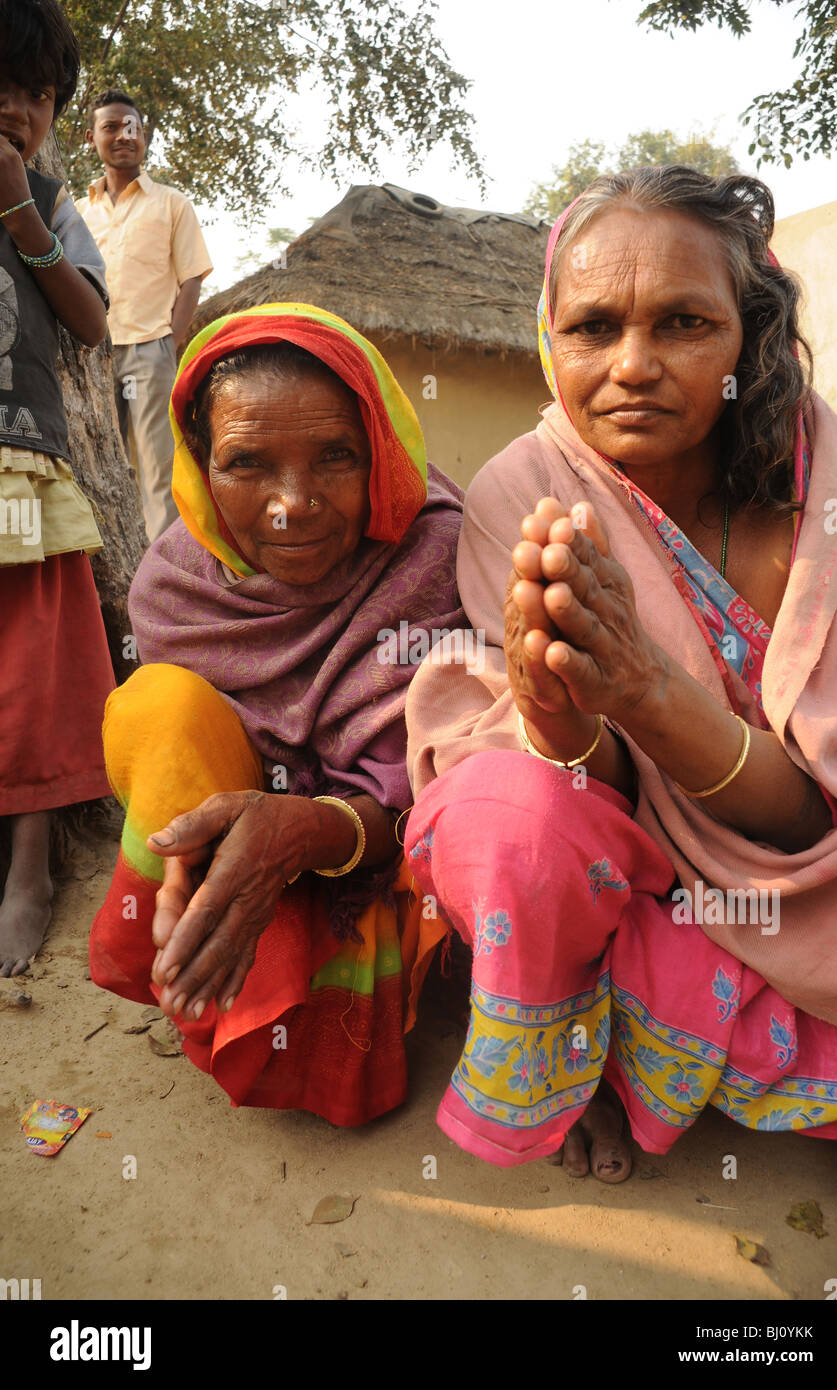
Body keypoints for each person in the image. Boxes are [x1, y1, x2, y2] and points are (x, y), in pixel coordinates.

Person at [404, 166, 837, 1181]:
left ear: (749, 334)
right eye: (593, 327)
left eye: (683, 324)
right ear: (547, 337)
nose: (632, 364)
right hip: (647, 894)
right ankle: (571, 1062)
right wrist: (558, 710)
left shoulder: (826, 492)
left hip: (826, 883)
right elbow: (587, 808)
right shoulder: (524, 491)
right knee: (503, 804)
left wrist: (651, 691)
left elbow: (809, 823)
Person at [89, 302, 464, 1125]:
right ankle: (201, 959)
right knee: (156, 704)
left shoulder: (435, 556)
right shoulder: (175, 587)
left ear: (382, 452)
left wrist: (303, 827)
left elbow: (434, 792)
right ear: (197, 466)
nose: (293, 504)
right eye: (247, 463)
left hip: (377, 858)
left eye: (336, 456)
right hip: (233, 843)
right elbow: (189, 769)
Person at [0, 0, 115, 977]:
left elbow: (88, 320)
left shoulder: (50, 199)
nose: (18, 105)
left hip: (18, 457)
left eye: (36, 92)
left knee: (37, 651)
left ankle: (29, 867)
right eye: (1, 83)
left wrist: (19, 211)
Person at [76, 90, 212, 542]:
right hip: (89, 354)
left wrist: (169, 344)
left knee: (159, 470)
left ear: (145, 137)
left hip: (150, 349)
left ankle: (163, 576)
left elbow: (192, 277)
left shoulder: (172, 204)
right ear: (91, 137)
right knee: (101, 470)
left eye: (131, 127)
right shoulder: (78, 211)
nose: (123, 136)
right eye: (111, 127)